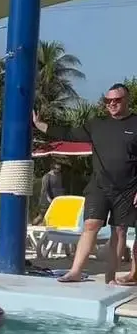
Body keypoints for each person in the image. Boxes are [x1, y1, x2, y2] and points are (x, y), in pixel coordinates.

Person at [33, 83, 137, 284]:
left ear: (127, 100)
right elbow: (68, 134)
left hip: (127, 188)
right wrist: (40, 125)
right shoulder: (96, 124)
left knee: (119, 230)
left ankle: (110, 277)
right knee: (90, 224)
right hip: (99, 185)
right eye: (108, 101)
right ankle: (75, 271)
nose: (112, 104)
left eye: (117, 100)